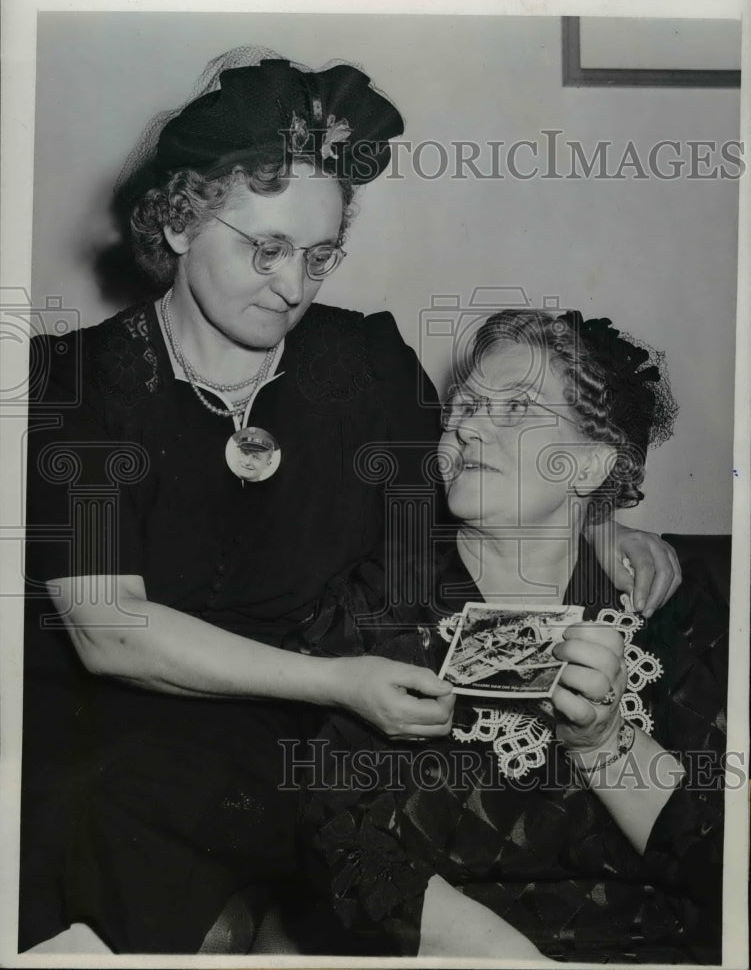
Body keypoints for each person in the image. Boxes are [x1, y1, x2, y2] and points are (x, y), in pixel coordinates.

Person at [20, 46, 681, 956]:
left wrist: (604, 515)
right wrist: (337, 682)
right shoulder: (76, 382)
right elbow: (108, 628)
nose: (293, 287)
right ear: (177, 222)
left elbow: (460, 491)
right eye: (267, 249)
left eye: (320, 255)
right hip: (121, 741)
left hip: (313, 741)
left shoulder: (361, 362)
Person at [302, 310, 727, 963]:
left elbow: (723, 861)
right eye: (466, 405)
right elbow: (344, 852)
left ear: (585, 466)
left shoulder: (675, 613)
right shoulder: (371, 607)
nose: (467, 425)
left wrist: (603, 743)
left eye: (515, 409)